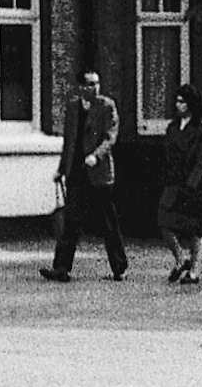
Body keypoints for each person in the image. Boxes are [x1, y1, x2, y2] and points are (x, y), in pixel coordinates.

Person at [41, 68, 129, 282]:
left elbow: (111, 137)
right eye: (89, 84)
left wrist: (95, 156)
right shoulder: (72, 107)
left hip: (98, 171)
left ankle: (119, 266)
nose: (94, 87)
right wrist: (61, 169)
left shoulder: (107, 106)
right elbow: (68, 142)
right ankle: (61, 268)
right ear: (80, 87)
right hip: (77, 171)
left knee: (108, 220)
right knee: (71, 220)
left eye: (96, 83)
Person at [158, 83, 202, 286]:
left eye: (182, 101)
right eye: (177, 101)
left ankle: (195, 271)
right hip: (174, 182)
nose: (178, 105)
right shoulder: (172, 128)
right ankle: (181, 258)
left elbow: (200, 162)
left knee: (195, 230)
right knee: (164, 222)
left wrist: (190, 185)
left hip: (194, 186)